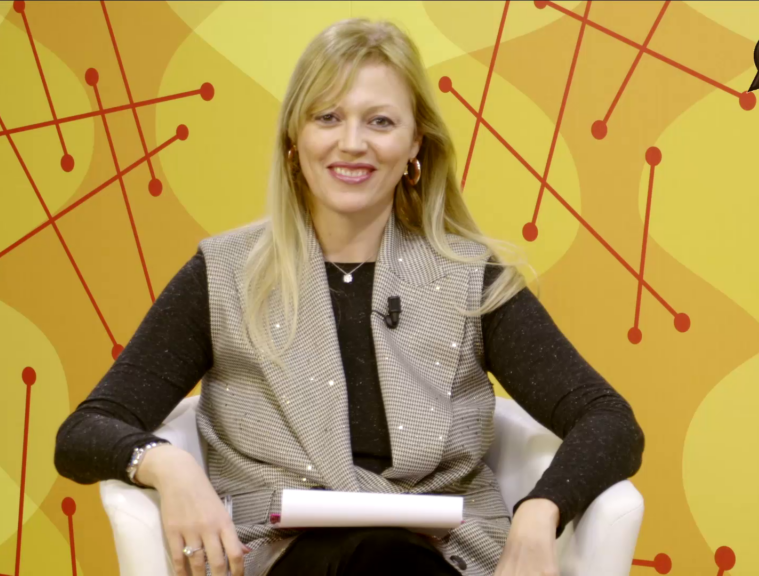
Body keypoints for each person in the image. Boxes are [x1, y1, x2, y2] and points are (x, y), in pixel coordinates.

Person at [54, 17, 644, 576]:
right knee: (372, 556)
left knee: (387, 558)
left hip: (441, 558)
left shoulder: (471, 276)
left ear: (415, 145)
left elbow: (609, 419)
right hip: (283, 557)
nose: (352, 143)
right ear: (295, 138)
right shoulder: (226, 274)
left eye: (380, 122)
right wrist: (168, 465)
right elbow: (86, 430)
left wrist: (540, 509)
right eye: (328, 117)